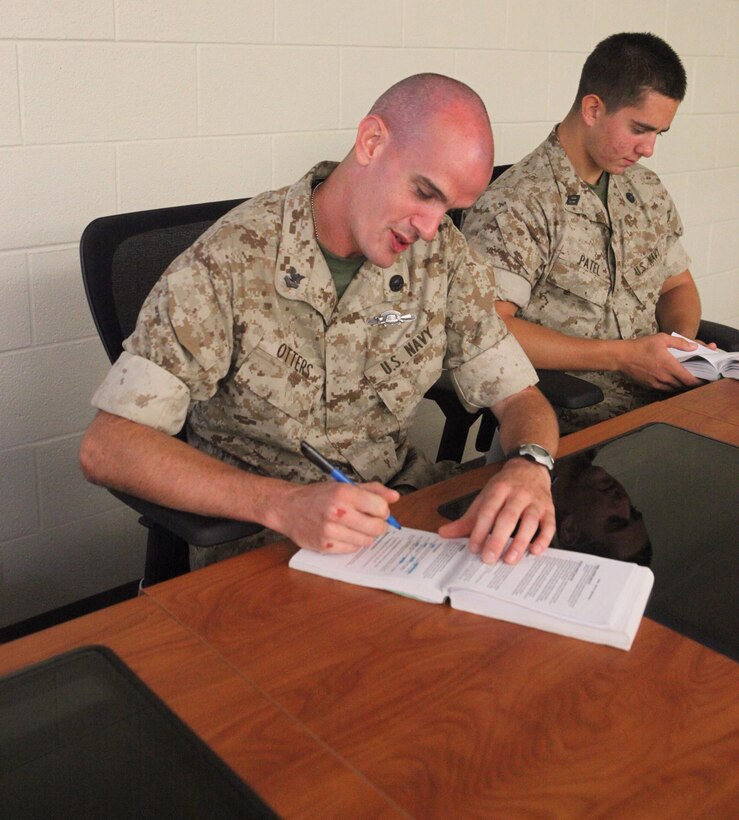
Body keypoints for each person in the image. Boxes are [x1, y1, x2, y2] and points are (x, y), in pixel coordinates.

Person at [80, 73, 558, 569]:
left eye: (451, 209)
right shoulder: (231, 261)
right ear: (371, 141)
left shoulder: (443, 257)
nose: (431, 227)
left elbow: (520, 396)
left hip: (400, 522)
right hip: (267, 542)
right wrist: (281, 504)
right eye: (423, 192)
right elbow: (109, 447)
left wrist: (531, 464)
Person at [462, 33, 708, 434]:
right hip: (574, 419)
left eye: (658, 134)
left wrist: (678, 348)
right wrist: (623, 357)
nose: (648, 149)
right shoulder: (518, 202)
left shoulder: (645, 189)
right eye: (640, 129)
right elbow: (487, 328)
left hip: (665, 404)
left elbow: (676, 285)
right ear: (593, 108)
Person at [552, 451, 652, 565]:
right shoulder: (599, 436)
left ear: (571, 529)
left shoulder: (529, 469)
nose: (623, 501)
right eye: (632, 510)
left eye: (615, 522)